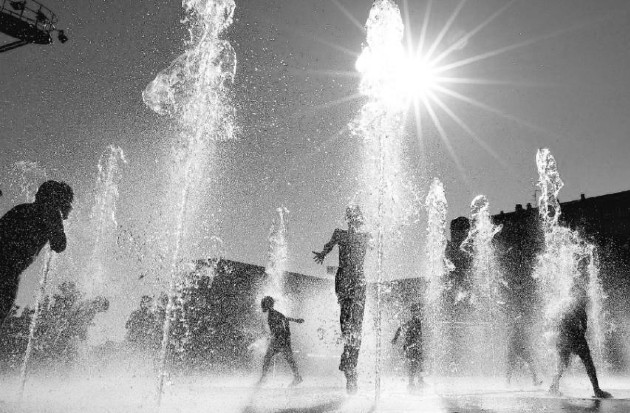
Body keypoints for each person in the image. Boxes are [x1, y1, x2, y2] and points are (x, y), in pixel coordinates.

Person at [313, 205, 370, 394]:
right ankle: (349, 363)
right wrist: (322, 254)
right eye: (352, 217)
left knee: (357, 326)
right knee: (347, 323)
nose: (354, 220)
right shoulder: (340, 234)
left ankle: (350, 363)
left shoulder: (365, 236)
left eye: (357, 217)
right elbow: (328, 246)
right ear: (348, 218)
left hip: (359, 280)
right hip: (345, 278)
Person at [0, 180, 73, 322]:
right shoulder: (49, 214)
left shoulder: (22, 209)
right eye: (67, 203)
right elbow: (59, 245)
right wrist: (58, 216)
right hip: (6, 273)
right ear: (55, 200)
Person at [548, 283, 611, 398]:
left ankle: (553, 387)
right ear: (577, 294)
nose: (584, 296)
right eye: (582, 294)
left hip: (562, 337)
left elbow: (554, 319)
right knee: (588, 363)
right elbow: (583, 324)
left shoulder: (563, 303)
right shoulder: (577, 304)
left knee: (562, 364)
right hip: (575, 338)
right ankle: (597, 390)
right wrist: (580, 335)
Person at [258, 296, 303, 387]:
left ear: (268, 304)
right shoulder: (271, 313)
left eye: (263, 303)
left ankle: (263, 379)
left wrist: (278, 335)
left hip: (280, 339)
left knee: (268, 358)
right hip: (282, 338)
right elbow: (285, 318)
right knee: (288, 359)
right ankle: (297, 377)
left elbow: (284, 319)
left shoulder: (272, 313)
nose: (262, 305)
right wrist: (296, 320)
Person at [505, 304, 542, 387]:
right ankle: (507, 382)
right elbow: (511, 341)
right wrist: (515, 353)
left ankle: (535, 381)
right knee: (511, 365)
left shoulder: (524, 322)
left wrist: (529, 346)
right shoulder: (516, 326)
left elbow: (526, 338)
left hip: (521, 347)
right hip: (513, 346)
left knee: (531, 362)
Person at [391, 302, 424, 391]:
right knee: (414, 364)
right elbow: (400, 328)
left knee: (419, 363)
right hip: (412, 346)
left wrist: (395, 338)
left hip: (415, 345)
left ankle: (419, 381)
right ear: (412, 312)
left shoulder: (417, 322)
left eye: (417, 311)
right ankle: (411, 384)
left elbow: (401, 328)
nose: (416, 313)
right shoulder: (413, 322)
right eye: (415, 311)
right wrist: (395, 338)